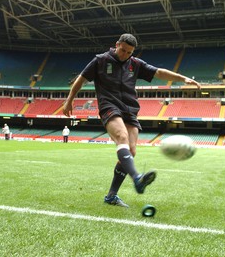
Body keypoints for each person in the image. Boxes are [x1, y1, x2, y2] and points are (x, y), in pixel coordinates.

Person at [63, 33, 201, 207]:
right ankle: (137, 178)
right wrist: (69, 101)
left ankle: (111, 196)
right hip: (109, 106)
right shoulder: (100, 60)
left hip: (130, 109)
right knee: (121, 137)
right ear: (117, 44)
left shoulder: (134, 63)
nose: (125, 55)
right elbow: (80, 80)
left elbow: (158, 72)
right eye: (123, 50)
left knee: (132, 151)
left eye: (129, 52)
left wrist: (182, 78)